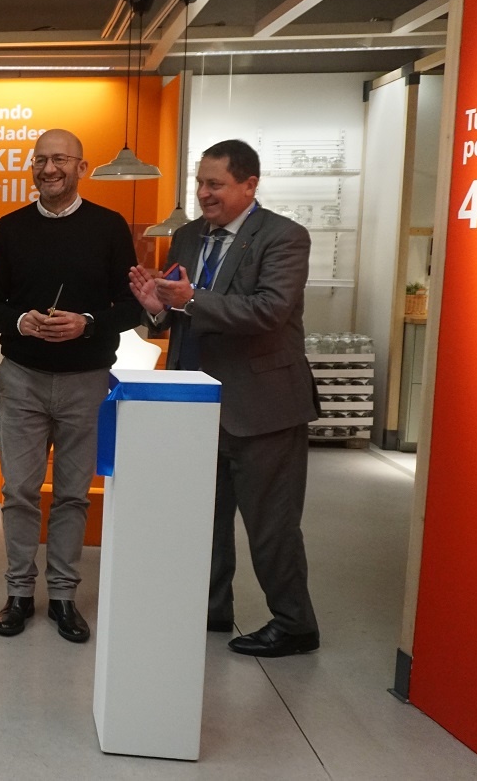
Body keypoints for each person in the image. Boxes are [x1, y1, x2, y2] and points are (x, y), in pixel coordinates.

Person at [128, 138, 320, 658]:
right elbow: (179, 312)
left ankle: (295, 624)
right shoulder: (188, 236)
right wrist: (157, 307)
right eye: (199, 183)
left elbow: (269, 311)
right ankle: (210, 609)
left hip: (263, 408)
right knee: (202, 518)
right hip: (195, 405)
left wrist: (192, 298)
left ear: (250, 185)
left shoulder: (284, 237)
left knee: (271, 525)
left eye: (215, 184)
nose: (203, 193)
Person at [0, 128, 141, 644]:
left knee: (73, 494)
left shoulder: (109, 227)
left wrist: (87, 324)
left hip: (86, 383)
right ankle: (19, 593)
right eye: (40, 160)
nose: (49, 169)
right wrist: (20, 321)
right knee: (18, 492)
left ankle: (64, 596)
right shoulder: (10, 228)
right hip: (22, 380)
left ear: (82, 167)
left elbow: (132, 306)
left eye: (60, 160)